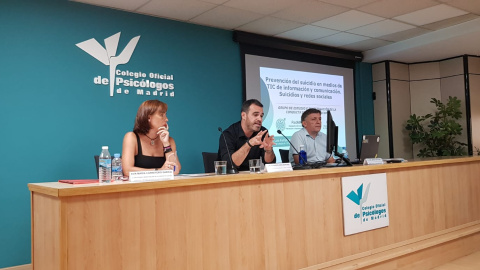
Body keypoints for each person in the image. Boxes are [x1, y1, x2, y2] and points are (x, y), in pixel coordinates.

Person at [122, 100, 181, 175]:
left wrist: (166, 144)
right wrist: (159, 171)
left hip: (163, 185)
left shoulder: (169, 140)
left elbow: (176, 170)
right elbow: (127, 170)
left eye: (166, 115)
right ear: (149, 118)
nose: (166, 119)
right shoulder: (131, 137)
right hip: (138, 186)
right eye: (162, 115)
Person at [218, 99, 276, 171]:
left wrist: (268, 150)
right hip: (230, 179)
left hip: (253, 178)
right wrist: (249, 144)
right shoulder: (228, 134)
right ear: (243, 115)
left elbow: (269, 164)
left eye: (261, 116)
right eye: (255, 115)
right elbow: (230, 165)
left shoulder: (262, 132)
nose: (260, 119)